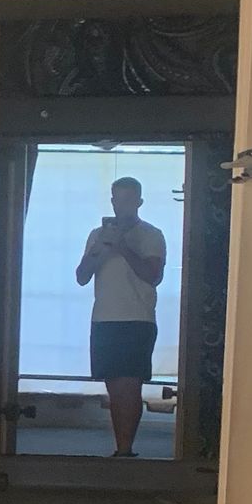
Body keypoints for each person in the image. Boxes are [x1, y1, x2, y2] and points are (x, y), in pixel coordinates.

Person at [76, 176, 166, 456]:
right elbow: (81, 277)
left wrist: (123, 248)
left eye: (129, 200)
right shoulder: (97, 235)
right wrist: (99, 250)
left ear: (139, 202)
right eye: (118, 199)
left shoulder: (151, 235)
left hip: (136, 319)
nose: (122, 205)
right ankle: (121, 448)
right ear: (112, 201)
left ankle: (126, 450)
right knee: (114, 388)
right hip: (104, 319)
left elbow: (154, 276)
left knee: (129, 387)